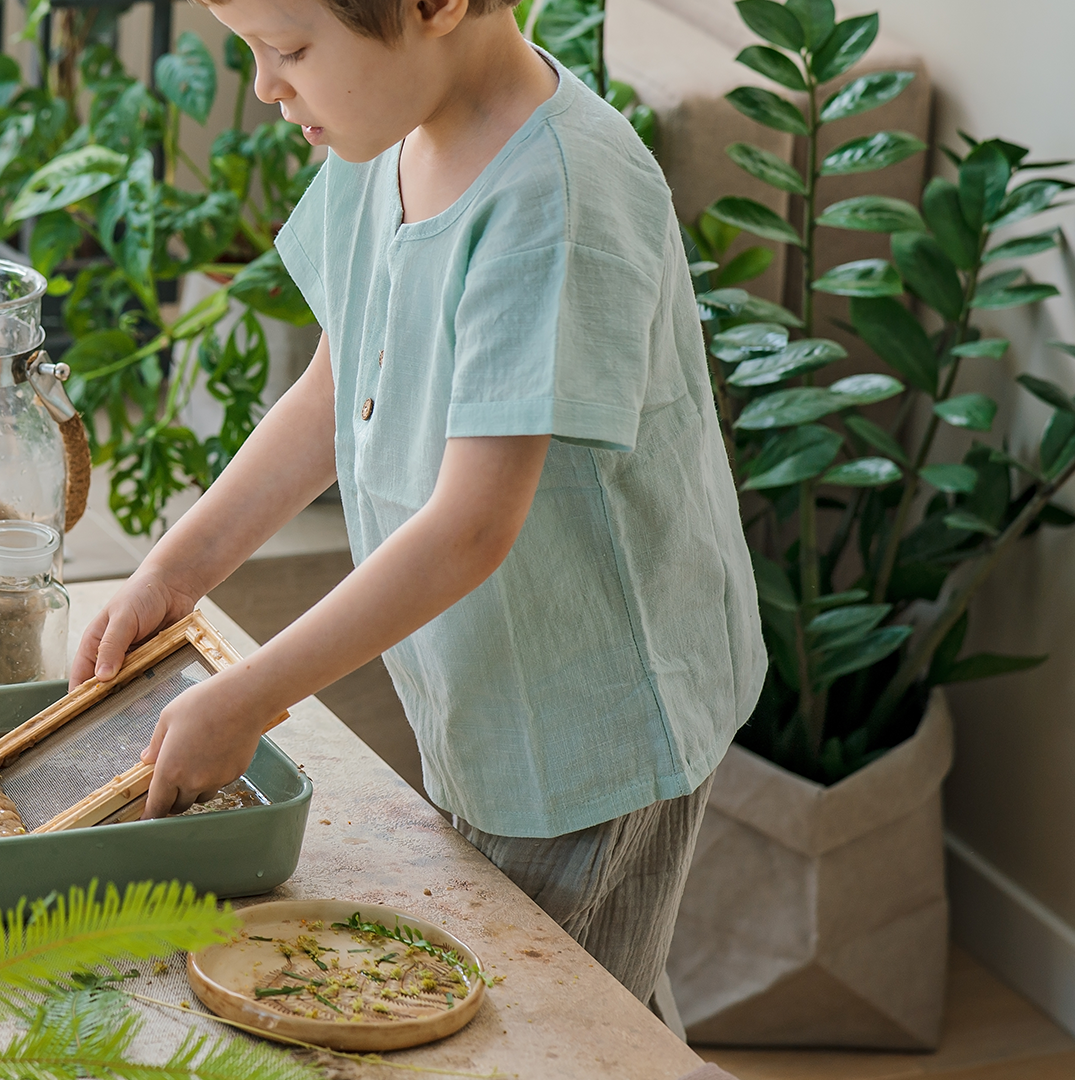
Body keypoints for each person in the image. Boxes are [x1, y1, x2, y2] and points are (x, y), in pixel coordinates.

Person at [69, 0, 763, 1009]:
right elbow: (334, 386)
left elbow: (471, 527)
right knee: (569, 1006)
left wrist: (253, 695)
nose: (265, 87)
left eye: (292, 50)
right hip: (489, 688)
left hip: (597, 725)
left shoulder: (556, 195)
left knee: (566, 1025)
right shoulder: (376, 138)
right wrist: (173, 573)